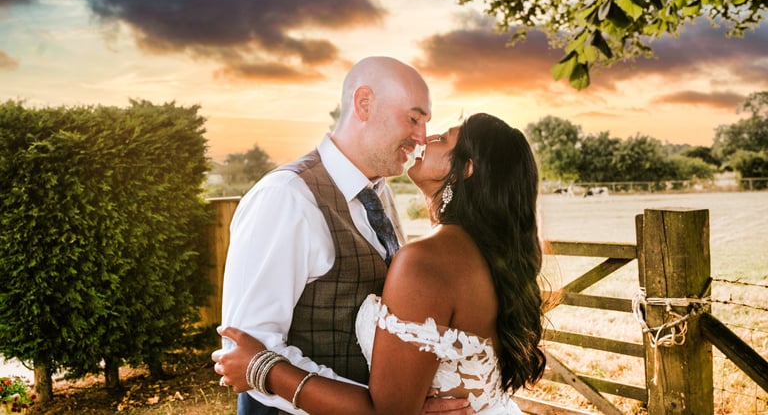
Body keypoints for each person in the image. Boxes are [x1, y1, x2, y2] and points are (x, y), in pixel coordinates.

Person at [213, 112, 547, 414]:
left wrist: (262, 368)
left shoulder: (426, 261)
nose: (425, 137)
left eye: (443, 138)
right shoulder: (488, 253)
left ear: (466, 169)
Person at [219, 56, 473, 415]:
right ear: (364, 103)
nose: (421, 137)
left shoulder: (379, 192)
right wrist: (393, 408)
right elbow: (248, 354)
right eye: (414, 119)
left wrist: (401, 402)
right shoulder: (287, 197)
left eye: (426, 123)